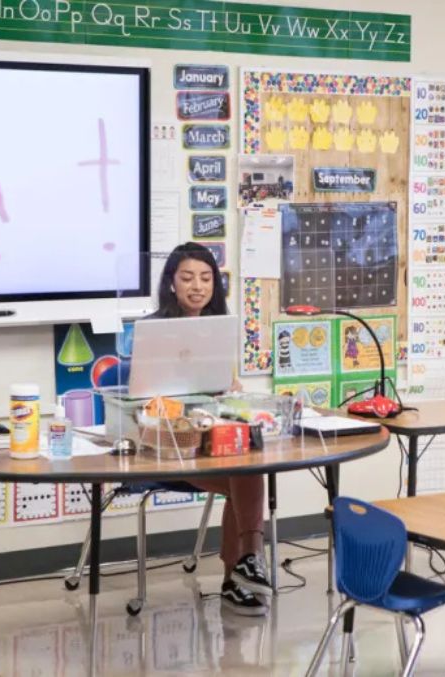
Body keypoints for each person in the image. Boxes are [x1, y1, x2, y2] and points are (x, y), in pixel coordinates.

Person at [149, 242, 271, 616]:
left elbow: (223, 388)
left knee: (246, 470)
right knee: (244, 477)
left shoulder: (218, 329)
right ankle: (240, 571)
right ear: (172, 283)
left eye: (205, 278)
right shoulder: (154, 330)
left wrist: (230, 391)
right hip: (172, 445)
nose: (197, 286)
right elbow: (146, 396)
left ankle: (242, 569)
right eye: (187, 278)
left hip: (210, 441)